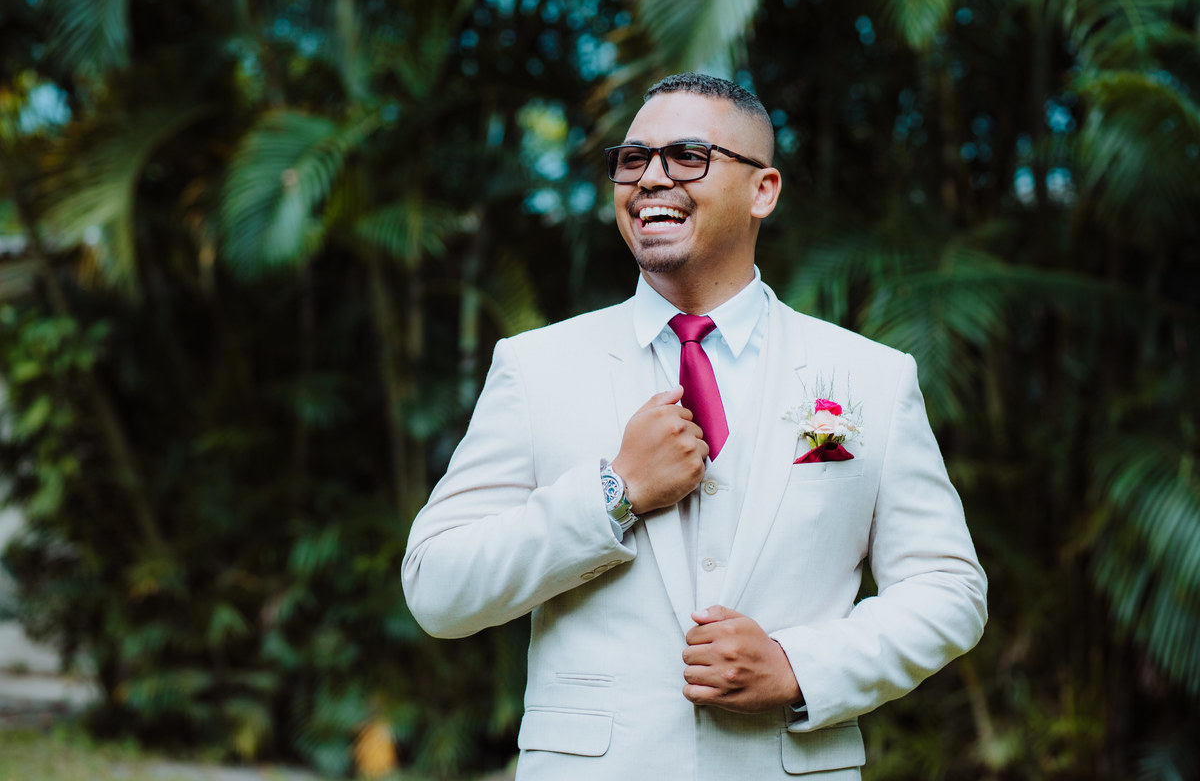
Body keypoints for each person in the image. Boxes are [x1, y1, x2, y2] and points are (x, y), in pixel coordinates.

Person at [401, 73, 987, 780]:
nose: (650, 178)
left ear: (762, 190)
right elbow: (437, 586)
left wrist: (799, 666)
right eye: (632, 159)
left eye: (687, 157)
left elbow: (948, 590)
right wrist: (614, 493)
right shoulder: (536, 367)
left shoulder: (871, 377)